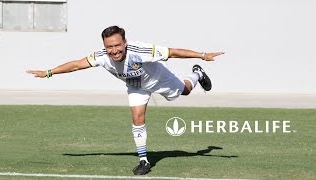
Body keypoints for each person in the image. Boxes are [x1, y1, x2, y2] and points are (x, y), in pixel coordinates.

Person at [27, 25, 225, 175]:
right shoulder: (102, 56)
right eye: (109, 46)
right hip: (135, 86)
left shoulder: (141, 50)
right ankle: (144, 161)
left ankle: (197, 75)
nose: (113, 50)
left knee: (185, 91)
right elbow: (78, 65)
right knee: (137, 117)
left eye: (116, 45)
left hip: (159, 79)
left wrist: (202, 55)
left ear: (124, 42)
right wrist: (49, 72)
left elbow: (172, 52)